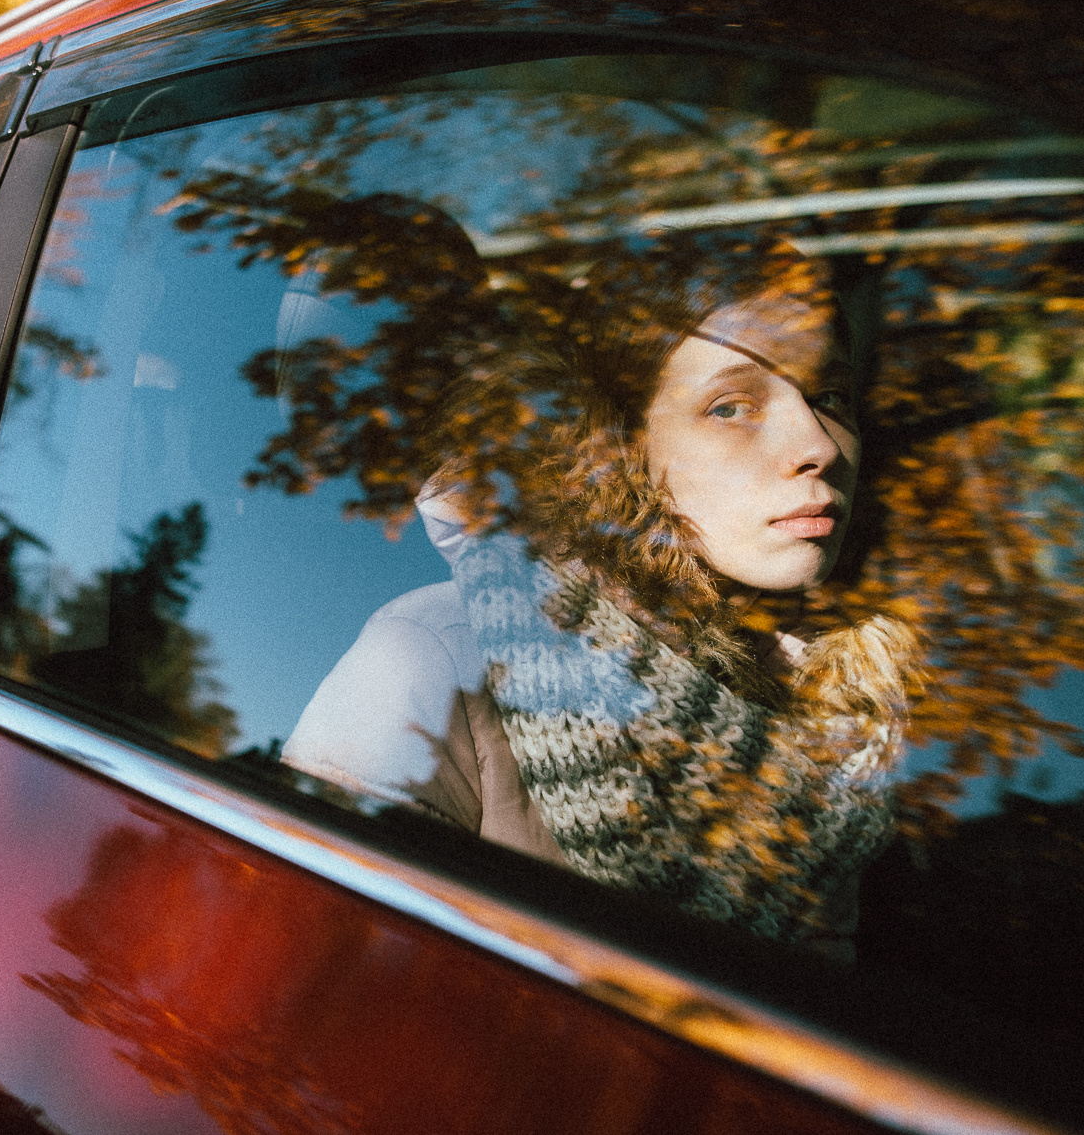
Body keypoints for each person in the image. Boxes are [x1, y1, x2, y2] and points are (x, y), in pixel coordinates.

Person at [284, 230, 919, 953]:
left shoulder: (854, 720)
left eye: (829, 396)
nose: (819, 443)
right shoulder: (435, 660)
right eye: (730, 406)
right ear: (623, 445)